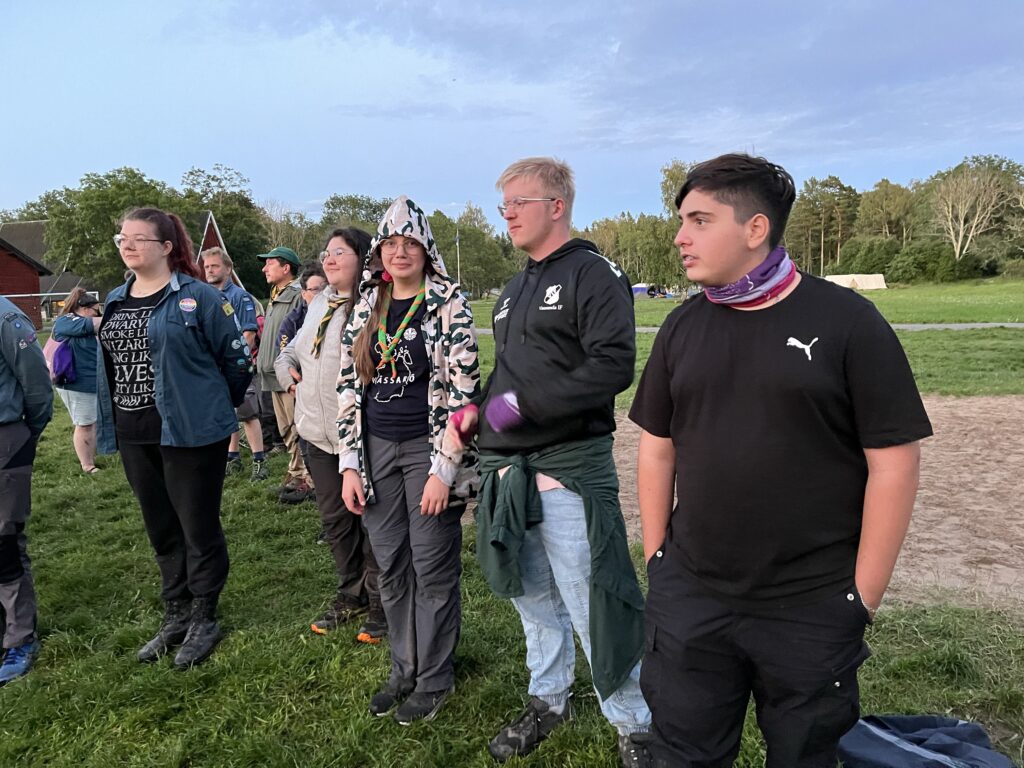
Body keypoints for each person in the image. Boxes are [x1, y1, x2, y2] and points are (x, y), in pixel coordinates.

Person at [629, 153, 933, 767]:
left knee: (805, 756)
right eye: (681, 221)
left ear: (755, 228)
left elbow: (894, 464)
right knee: (682, 753)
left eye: (699, 220)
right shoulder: (682, 326)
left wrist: (862, 598)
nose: (680, 236)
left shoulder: (848, 321)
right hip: (692, 596)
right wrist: (659, 560)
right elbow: (657, 447)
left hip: (811, 603)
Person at [449, 157, 653, 767]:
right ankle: (549, 699)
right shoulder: (513, 291)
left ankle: (635, 725)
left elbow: (613, 366)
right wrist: (478, 408)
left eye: (519, 202)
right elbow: (511, 376)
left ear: (557, 206)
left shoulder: (594, 273)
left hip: (568, 468)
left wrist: (517, 408)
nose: (507, 214)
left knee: (593, 599)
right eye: (504, 204)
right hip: (508, 471)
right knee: (533, 596)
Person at [338, 196, 479, 725]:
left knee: (432, 566)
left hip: (429, 448)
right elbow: (348, 387)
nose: (400, 253)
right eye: (391, 244)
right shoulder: (366, 306)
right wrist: (349, 463)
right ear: (379, 251)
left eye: (410, 244)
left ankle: (435, 678)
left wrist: (445, 470)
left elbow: (467, 399)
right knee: (392, 564)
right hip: (375, 450)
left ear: (426, 250)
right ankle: (404, 668)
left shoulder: (449, 303)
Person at [96, 207, 253, 669]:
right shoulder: (116, 300)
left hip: (190, 432)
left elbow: (236, 360)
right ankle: (177, 611)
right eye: (122, 238)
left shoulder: (198, 297)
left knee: (197, 526)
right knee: (161, 526)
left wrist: (209, 406)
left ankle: (205, 615)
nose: (127, 245)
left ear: (166, 247)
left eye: (138, 238)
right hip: (134, 432)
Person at [275, 229, 385, 640]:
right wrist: (285, 369)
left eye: (340, 252)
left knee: (372, 522)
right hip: (315, 434)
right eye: (327, 252)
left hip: (361, 435)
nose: (329, 258)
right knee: (336, 520)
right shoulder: (320, 301)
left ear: (363, 258)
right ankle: (351, 593)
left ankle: (382, 601)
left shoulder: (375, 304)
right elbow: (293, 349)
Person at [0, 296, 53, 685]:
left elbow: (36, 383)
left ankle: (19, 637)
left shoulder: (6, 318)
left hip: (6, 439)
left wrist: (24, 436)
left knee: (3, 542)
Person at [202, 247, 267, 482]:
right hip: (215, 368)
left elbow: (249, 334)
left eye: (215, 266)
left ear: (228, 269)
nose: (209, 270)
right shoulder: (205, 296)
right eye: (206, 267)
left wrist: (234, 364)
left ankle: (259, 461)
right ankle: (233, 458)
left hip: (237, 367)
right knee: (227, 413)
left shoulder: (240, 297)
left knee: (247, 413)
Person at [256, 246, 313, 501]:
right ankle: (296, 473)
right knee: (286, 429)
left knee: (298, 426)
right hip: (272, 374)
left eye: (270, 264)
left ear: (286, 267)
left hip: (289, 375)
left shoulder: (298, 294)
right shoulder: (276, 294)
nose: (264, 269)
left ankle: (308, 479)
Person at [275, 261, 326, 505]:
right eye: (314, 290)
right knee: (301, 437)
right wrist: (292, 380)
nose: (320, 295)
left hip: (330, 394)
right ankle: (312, 483)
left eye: (323, 288)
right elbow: (285, 354)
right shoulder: (296, 320)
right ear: (304, 293)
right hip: (303, 391)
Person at [52, 288, 102, 473]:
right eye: (96, 310)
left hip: (91, 380)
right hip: (75, 383)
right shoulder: (66, 321)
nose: (98, 314)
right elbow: (92, 325)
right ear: (86, 309)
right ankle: (87, 464)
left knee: (93, 421)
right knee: (85, 423)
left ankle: (92, 454)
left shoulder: (80, 322)